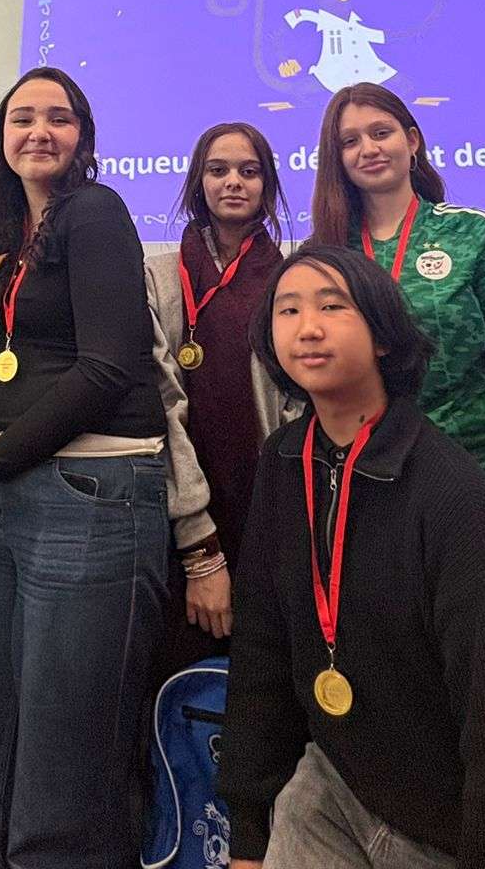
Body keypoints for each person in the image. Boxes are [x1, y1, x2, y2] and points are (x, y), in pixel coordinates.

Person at [220, 244, 485, 869]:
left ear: (384, 337)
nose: (307, 328)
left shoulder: (451, 492)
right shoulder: (284, 461)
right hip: (332, 783)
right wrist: (249, 832)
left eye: (332, 306)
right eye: (288, 310)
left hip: (444, 819)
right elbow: (263, 644)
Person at [0, 67, 169, 869]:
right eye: (22, 117)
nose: (40, 131)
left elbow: (109, 367)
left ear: (82, 136)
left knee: (64, 764)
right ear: (1, 135)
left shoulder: (96, 211)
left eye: (59, 118)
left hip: (86, 490)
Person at [308, 83, 485, 523]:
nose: (368, 149)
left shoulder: (473, 234)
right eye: (350, 141)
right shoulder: (324, 254)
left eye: (381, 133)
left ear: (411, 141)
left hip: (478, 471)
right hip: (370, 480)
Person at [146, 121, 298, 650]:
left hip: (274, 512)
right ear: (198, 182)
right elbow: (159, 402)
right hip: (183, 514)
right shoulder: (158, 277)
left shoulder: (294, 279)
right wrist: (198, 545)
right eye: (218, 170)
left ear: (267, 185)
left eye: (249, 171)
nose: (234, 181)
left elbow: (302, 403)